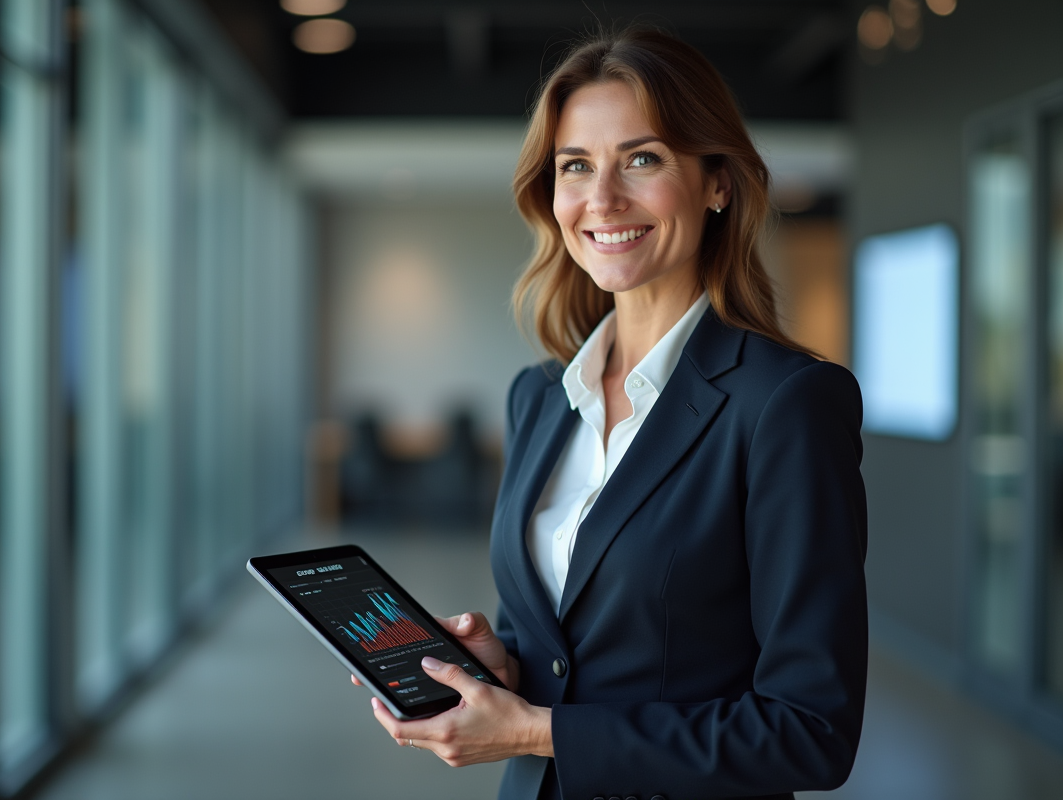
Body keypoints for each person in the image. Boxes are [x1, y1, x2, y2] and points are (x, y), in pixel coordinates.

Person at [357, 28, 868, 800]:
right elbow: (563, 649)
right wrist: (502, 667)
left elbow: (810, 731)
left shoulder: (786, 404)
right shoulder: (540, 395)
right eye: (575, 166)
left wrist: (535, 731)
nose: (602, 199)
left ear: (717, 182)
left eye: (642, 158)